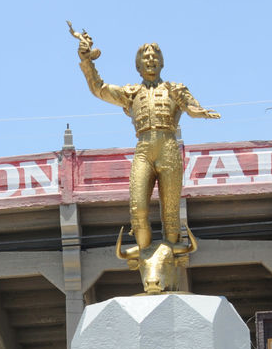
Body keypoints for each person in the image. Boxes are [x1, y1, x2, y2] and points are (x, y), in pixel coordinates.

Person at [74, 34, 219, 249]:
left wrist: (198, 111)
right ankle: (144, 254)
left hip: (168, 147)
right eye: (146, 57)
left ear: (161, 63)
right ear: (138, 66)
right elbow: (99, 89)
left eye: (154, 57)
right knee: (138, 210)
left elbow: (191, 107)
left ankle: (170, 255)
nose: (151, 60)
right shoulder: (131, 94)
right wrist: (86, 61)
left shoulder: (175, 90)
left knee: (170, 213)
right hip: (143, 149)